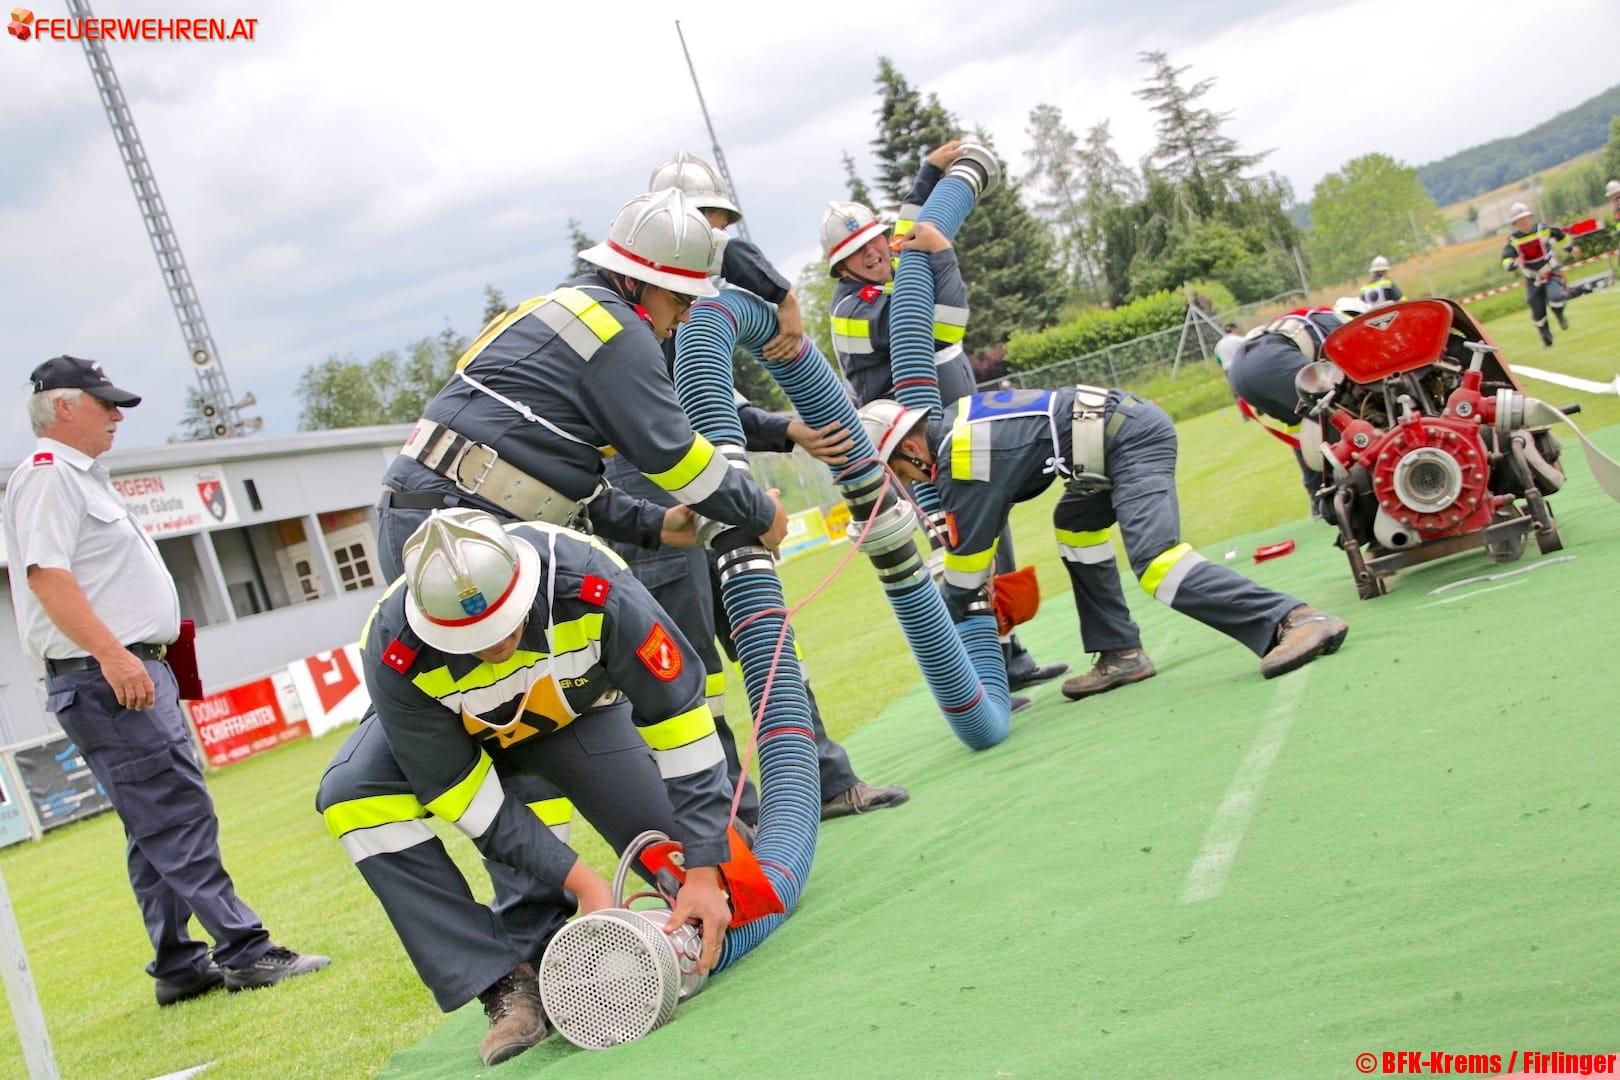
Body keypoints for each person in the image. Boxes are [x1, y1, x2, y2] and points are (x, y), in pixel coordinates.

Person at [316, 510, 740, 1066]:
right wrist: (587, 883)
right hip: (462, 742)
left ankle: (707, 872)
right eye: (472, 639)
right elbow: (462, 793)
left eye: (505, 628)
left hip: (575, 721)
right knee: (353, 798)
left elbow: (679, 721)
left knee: (725, 897)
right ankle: (505, 983)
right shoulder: (393, 646)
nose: (495, 648)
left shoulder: (595, 583)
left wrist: (706, 867)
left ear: (528, 584)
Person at [3, 357, 329, 1007]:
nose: (117, 415)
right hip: (112, 676)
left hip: (130, 669)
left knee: (153, 824)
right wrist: (113, 657)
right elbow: (45, 577)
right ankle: (245, 949)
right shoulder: (48, 479)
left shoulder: (78, 479)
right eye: (105, 404)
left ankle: (179, 963)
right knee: (178, 816)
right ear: (63, 408)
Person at [596, 151, 911, 820]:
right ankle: (735, 822)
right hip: (657, 502)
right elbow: (672, 421)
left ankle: (825, 783)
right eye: (707, 225)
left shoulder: (688, 313)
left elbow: (709, 404)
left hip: (706, 482)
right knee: (688, 671)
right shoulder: (640, 313)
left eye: (719, 226)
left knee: (765, 633)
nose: (714, 243)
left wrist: (789, 429)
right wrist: (786, 298)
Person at [374, 186, 789, 581]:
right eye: (681, 299)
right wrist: (760, 514)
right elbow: (677, 455)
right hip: (460, 530)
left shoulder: (560, 312)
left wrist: (657, 525)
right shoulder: (619, 333)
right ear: (635, 281)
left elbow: (547, 473)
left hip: (434, 520)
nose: (684, 317)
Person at [857, 389, 1349, 700]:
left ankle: (1294, 619)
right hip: (1109, 441)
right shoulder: (956, 423)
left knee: (1158, 564)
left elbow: (967, 569)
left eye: (898, 471)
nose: (905, 480)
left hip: (1128, 440)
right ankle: (1120, 652)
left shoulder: (963, 457)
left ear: (912, 448)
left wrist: (940, 619)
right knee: (1074, 523)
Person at [822, 141, 1068, 692]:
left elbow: (909, 238)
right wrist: (944, 254)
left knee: (992, 538)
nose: (876, 253)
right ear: (839, 264)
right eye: (859, 251)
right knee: (960, 550)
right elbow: (943, 324)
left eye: (877, 242)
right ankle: (981, 675)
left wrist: (928, 175)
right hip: (922, 455)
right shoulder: (858, 307)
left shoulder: (879, 280)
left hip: (955, 437)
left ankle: (1009, 656)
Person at [1225, 307, 1345, 510]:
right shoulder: (1336, 323)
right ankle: (1351, 492)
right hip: (1271, 361)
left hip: (1240, 373)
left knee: (1303, 425)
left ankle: (1319, 499)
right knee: (1342, 414)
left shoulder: (1311, 320)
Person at [1501, 202, 1577, 347]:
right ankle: (1545, 334)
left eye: (1525, 218)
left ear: (1531, 217)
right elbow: (1506, 258)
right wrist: (1513, 263)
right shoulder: (1513, 240)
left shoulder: (1543, 229)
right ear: (1515, 223)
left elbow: (1560, 236)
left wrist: (1570, 248)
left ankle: (1559, 315)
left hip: (1551, 272)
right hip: (1532, 279)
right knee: (1536, 308)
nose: (1524, 222)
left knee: (1556, 296)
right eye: (1520, 220)